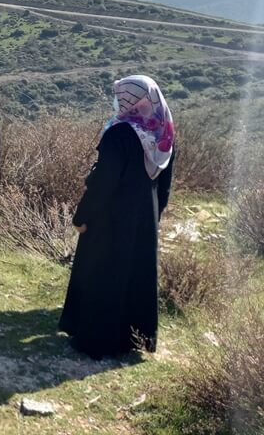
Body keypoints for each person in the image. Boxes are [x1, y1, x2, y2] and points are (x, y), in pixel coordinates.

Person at [59, 75, 175, 359]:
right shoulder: (162, 132)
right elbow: (165, 182)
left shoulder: (120, 133)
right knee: (134, 275)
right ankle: (132, 338)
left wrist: (82, 215)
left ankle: (97, 341)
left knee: (104, 274)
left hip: (111, 217)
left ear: (129, 100)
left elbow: (104, 182)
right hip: (144, 216)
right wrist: (154, 215)